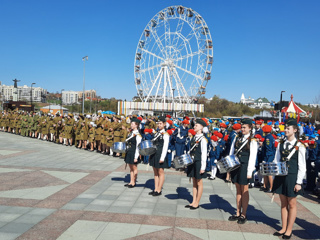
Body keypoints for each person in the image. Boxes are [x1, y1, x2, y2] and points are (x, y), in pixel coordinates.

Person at [272, 118, 306, 239]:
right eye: (285, 128)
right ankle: (283, 227)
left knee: (292, 204)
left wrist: (299, 182)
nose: (285, 130)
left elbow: (302, 166)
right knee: (283, 203)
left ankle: (289, 230)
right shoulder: (281, 143)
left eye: (288, 128)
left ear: (295, 130)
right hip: (281, 176)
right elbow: (276, 160)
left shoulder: (300, 146)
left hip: (292, 177)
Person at [228, 118, 258, 224]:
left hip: (245, 167)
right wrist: (229, 167)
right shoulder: (237, 138)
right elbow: (232, 153)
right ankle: (237, 212)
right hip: (236, 166)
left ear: (250, 128)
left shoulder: (252, 140)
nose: (242, 129)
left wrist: (250, 172)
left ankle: (244, 214)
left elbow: (252, 157)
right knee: (237, 188)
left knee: (244, 189)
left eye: (244, 127)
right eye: (242, 127)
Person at [185, 118, 208, 210]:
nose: (194, 126)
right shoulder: (194, 137)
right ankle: (193, 201)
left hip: (198, 162)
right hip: (192, 162)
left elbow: (204, 154)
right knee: (194, 181)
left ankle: (197, 202)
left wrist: (203, 167)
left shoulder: (203, 139)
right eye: (194, 125)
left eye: (196, 125)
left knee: (199, 182)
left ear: (201, 127)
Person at [149, 116, 169, 196]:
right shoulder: (157, 133)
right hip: (154, 153)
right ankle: (155, 188)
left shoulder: (165, 134)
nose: (159, 125)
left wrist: (162, 158)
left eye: (160, 124)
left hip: (160, 154)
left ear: (164, 124)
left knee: (160, 172)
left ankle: (159, 189)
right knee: (155, 172)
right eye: (158, 123)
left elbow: (165, 147)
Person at [124, 118, 142, 188]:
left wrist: (136, 157)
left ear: (136, 125)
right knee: (131, 168)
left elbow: (138, 146)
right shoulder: (132, 133)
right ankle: (131, 181)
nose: (131, 125)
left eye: (132, 124)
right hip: (130, 151)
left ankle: (134, 182)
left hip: (134, 152)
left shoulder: (138, 135)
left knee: (134, 168)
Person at [261, 124, 276, 192]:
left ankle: (271, 187)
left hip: (268, 156)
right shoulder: (270, 136)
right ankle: (265, 185)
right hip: (268, 156)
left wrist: (266, 158)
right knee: (265, 172)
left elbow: (268, 148)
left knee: (269, 172)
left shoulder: (267, 138)